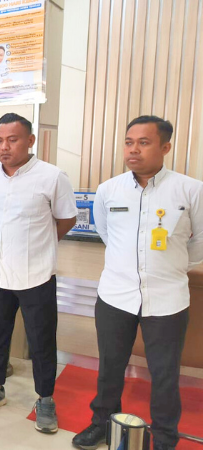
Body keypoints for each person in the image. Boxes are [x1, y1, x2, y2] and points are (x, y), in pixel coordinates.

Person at [72, 116, 203, 450]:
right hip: (116, 296)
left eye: (144, 142)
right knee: (110, 366)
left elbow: (199, 243)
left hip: (167, 298)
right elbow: (106, 233)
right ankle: (102, 422)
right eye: (129, 142)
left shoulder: (190, 190)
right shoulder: (109, 190)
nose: (134, 150)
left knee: (164, 374)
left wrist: (170, 267)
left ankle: (165, 439)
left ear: (165, 147)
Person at [0, 113, 77, 434]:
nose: (4, 147)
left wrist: (41, 245)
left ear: (30, 141)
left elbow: (66, 219)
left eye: (12, 140)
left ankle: (45, 398)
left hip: (36, 275)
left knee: (41, 339)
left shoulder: (52, 177)